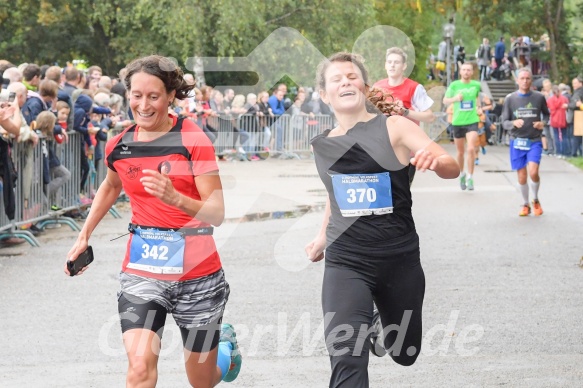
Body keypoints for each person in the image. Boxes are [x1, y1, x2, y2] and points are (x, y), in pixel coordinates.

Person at [64, 55, 241, 387]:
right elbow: (111, 185)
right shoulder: (120, 145)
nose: (143, 105)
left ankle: (226, 351)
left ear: (171, 96)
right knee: (140, 369)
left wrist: (176, 198)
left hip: (198, 275)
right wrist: (83, 235)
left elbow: (216, 212)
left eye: (153, 96)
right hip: (143, 270)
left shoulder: (192, 140)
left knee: (201, 380)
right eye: (136, 95)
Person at [305, 52, 459, 387]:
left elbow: (452, 166)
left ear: (363, 85)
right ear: (323, 93)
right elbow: (337, 197)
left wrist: (436, 161)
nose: (345, 81)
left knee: (405, 352)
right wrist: (321, 237)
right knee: (346, 355)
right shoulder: (324, 145)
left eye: (351, 76)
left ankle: (379, 326)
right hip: (346, 260)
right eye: (336, 79)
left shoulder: (394, 128)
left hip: (397, 259)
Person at [373, 46, 435, 186]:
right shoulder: (377, 87)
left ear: (404, 66)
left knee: (402, 194)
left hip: (406, 150)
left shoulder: (414, 88)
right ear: (385, 65)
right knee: (382, 193)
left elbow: (430, 117)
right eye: (389, 62)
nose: (392, 65)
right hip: (382, 148)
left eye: (396, 62)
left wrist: (405, 112)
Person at [501, 67, 550, 216]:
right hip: (517, 141)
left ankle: (535, 199)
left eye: (527, 78)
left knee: (533, 172)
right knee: (522, 176)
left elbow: (547, 116)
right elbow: (504, 121)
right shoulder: (510, 99)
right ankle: (525, 203)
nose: (525, 81)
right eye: (522, 78)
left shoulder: (539, 97)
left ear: (531, 80)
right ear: (517, 80)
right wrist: (513, 123)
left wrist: (543, 123)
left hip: (534, 140)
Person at [443, 62, 481, 190]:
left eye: (468, 70)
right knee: (460, 152)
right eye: (464, 70)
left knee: (470, 148)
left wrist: (479, 108)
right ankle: (462, 174)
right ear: (460, 72)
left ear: (472, 72)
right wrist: (455, 98)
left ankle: (470, 177)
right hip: (458, 121)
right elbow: (445, 100)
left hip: (472, 120)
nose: (466, 72)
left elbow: (477, 98)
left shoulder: (476, 85)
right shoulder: (454, 85)